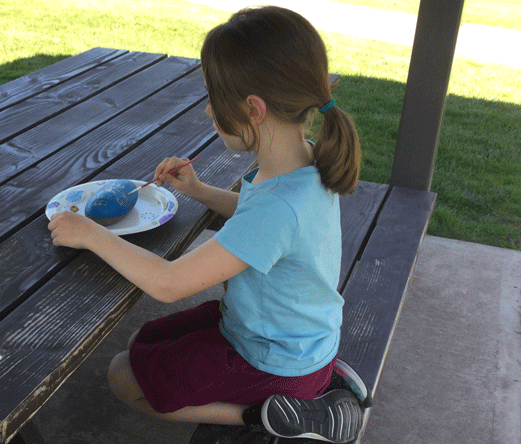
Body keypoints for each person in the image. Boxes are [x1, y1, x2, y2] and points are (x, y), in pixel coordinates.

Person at [48, 6, 370, 443]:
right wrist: (199, 191)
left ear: (253, 109)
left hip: (273, 360)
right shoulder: (305, 160)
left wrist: (90, 234)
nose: (207, 110)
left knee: (123, 375)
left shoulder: (279, 207)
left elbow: (168, 284)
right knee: (146, 341)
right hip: (290, 337)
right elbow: (264, 227)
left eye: (213, 98)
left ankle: (280, 414)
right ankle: (315, 380)